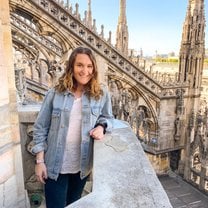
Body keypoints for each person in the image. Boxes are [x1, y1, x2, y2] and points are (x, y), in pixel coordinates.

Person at [31, 46, 113, 208]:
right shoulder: (55, 92)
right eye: (80, 65)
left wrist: (101, 126)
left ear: (94, 69)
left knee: (73, 205)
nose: (85, 71)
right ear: (71, 67)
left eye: (89, 66)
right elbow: (40, 127)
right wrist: (39, 161)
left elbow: (108, 117)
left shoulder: (101, 92)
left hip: (81, 167)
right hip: (55, 166)